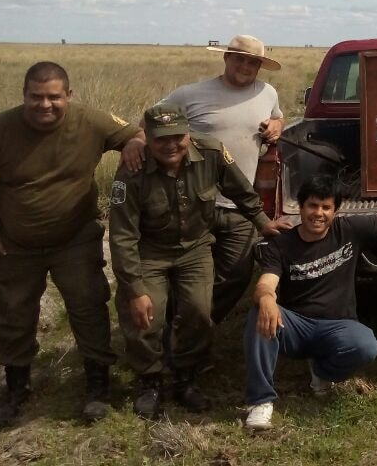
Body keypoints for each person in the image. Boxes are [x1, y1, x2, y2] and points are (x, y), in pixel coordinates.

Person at [0, 62, 144, 426]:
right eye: (36, 97)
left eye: (53, 97)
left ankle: (97, 387)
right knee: (13, 313)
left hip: (75, 238)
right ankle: (16, 389)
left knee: (89, 307)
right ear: (24, 95)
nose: (44, 105)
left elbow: (137, 133)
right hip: (15, 242)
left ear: (69, 95)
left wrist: (134, 145)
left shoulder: (91, 121)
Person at [243, 175, 377, 430]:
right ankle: (260, 402)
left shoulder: (349, 229)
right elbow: (266, 283)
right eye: (312, 206)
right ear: (300, 207)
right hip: (295, 327)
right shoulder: (282, 244)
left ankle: (322, 374)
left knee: (366, 346)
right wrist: (266, 298)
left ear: (335, 211)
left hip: (337, 325)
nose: (318, 213)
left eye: (326, 207)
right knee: (259, 311)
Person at [108, 104, 275, 419]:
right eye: (161, 140)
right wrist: (134, 288)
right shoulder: (132, 169)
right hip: (149, 251)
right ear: (148, 139)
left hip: (195, 249)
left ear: (188, 132)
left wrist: (263, 222)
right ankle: (150, 380)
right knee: (146, 316)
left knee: (199, 310)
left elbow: (242, 192)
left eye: (178, 136)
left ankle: (187, 376)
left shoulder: (210, 152)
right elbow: (122, 236)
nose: (171, 145)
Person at [157, 34, 286, 324]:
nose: (245, 66)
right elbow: (150, 125)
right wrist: (135, 143)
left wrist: (277, 124)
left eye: (253, 62)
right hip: (193, 203)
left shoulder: (267, 93)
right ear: (226, 58)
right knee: (186, 273)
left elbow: (278, 118)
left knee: (236, 275)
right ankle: (179, 329)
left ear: (260, 66)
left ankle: (194, 325)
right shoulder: (189, 95)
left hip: (241, 205)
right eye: (239, 58)